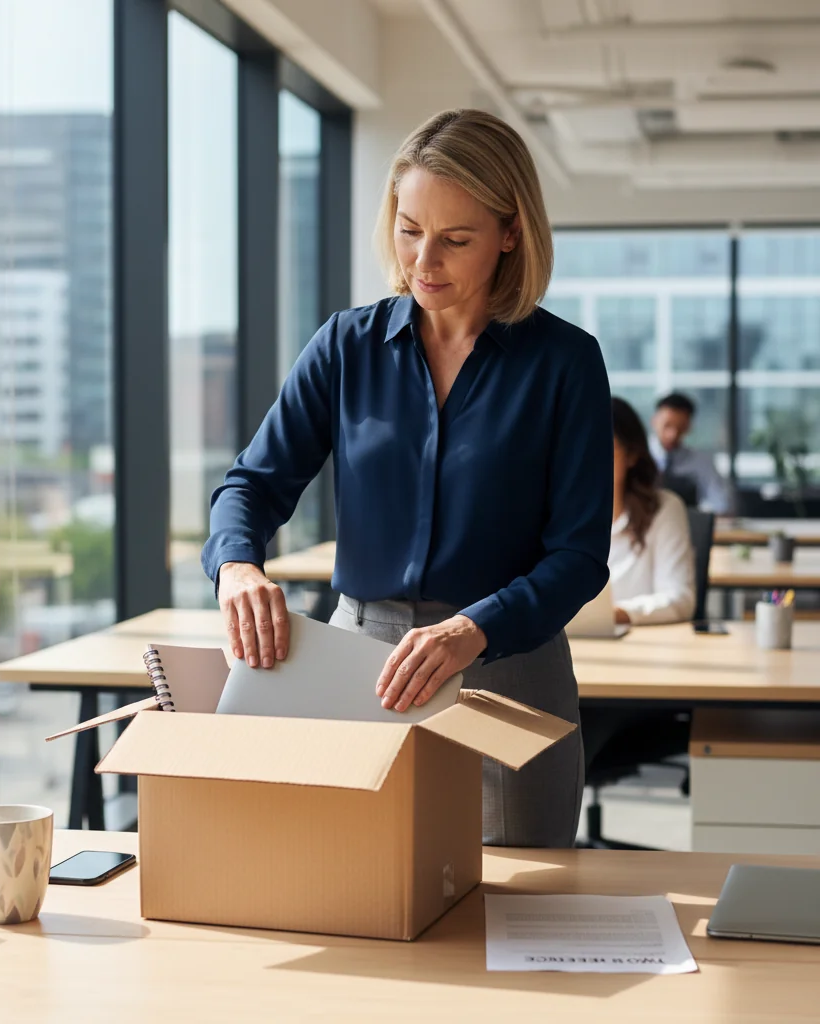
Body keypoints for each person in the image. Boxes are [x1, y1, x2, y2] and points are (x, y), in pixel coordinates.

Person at [201, 109, 613, 848]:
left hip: (506, 664)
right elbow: (251, 485)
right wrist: (235, 566)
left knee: (513, 912)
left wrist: (472, 629)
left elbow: (579, 556)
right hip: (356, 661)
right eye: (409, 227)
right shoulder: (345, 346)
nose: (425, 259)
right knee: (347, 887)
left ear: (510, 234)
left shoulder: (565, 363)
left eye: (456, 239)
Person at [611, 396, 695, 626]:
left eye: (605, 449)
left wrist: (615, 615)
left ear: (631, 455)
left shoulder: (664, 509)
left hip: (644, 650)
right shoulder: (555, 514)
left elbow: (679, 598)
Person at [650, 392, 732, 514]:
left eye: (680, 427)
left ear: (689, 427)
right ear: (654, 421)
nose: (672, 434)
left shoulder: (702, 462)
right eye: (667, 425)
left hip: (688, 528)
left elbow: (721, 504)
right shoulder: (635, 457)